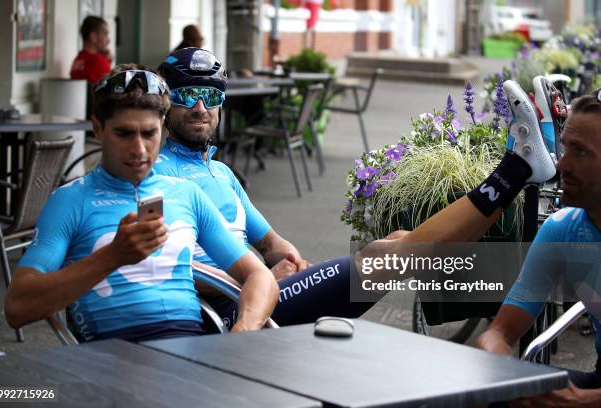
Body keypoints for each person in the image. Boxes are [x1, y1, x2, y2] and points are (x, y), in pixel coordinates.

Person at [154, 47, 558, 327]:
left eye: (210, 96)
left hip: (267, 291)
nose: (200, 109)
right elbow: (168, 273)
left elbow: (281, 248)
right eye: (187, 96)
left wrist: (293, 268)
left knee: (401, 242)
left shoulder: (222, 174)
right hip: (232, 310)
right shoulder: (161, 177)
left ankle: (517, 177)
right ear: (166, 102)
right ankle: (514, 172)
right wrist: (258, 278)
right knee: (392, 256)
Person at [4, 64, 278, 343]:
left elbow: (260, 276)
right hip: (114, 361)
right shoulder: (70, 200)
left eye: (149, 134)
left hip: (191, 353)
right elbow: (17, 307)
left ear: (162, 126)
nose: (138, 149)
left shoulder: (186, 193)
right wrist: (113, 256)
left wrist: (241, 334)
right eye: (124, 134)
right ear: (97, 128)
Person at [476, 89, 601, 407]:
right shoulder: (564, 230)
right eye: (565, 147)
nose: (563, 164)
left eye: (581, 153)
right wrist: (505, 377)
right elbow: (499, 333)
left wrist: (585, 402)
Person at [70, 16, 112, 85]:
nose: (108, 40)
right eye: (105, 34)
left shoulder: (78, 59)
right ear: (94, 37)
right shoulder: (99, 61)